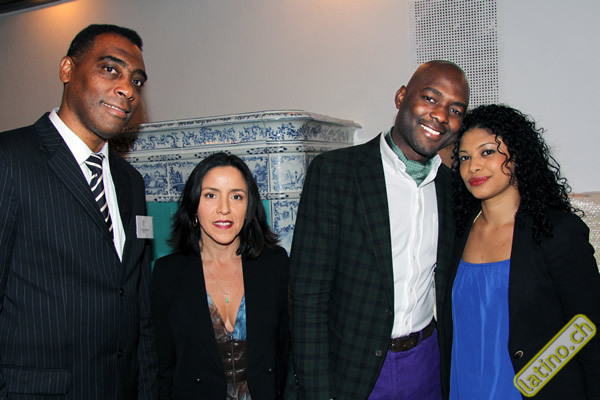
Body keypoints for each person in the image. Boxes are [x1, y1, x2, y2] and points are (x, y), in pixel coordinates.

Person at [287, 61, 470, 400]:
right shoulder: (336, 174)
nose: (441, 115)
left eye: (455, 110)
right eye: (430, 98)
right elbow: (307, 297)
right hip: (353, 370)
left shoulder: (453, 188)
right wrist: (317, 391)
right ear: (401, 97)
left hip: (428, 362)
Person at [0, 24, 157, 399]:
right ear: (67, 69)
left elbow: (138, 307)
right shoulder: (10, 159)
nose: (128, 89)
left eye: (136, 81)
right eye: (110, 69)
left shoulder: (131, 182)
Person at [439, 104, 600, 399]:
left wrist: (537, 376)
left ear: (518, 156)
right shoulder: (456, 233)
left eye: (487, 152)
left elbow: (588, 328)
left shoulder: (556, 231)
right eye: (464, 157)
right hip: (464, 388)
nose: (473, 166)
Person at [151, 152, 290, 400]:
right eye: (211, 195)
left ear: (249, 207)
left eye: (236, 196)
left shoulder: (275, 265)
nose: (224, 209)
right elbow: (162, 366)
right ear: (194, 206)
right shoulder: (167, 274)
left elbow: (288, 354)